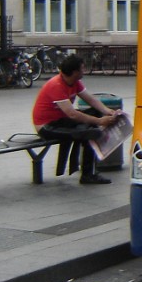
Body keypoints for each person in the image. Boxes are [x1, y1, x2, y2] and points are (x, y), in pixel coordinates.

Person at [32, 54, 120, 185]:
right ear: (75, 72)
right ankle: (87, 174)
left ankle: (89, 171)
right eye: (82, 69)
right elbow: (72, 114)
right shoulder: (56, 85)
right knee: (91, 133)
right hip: (48, 126)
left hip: (61, 120)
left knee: (93, 118)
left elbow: (91, 100)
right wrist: (99, 121)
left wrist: (108, 111)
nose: (84, 71)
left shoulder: (75, 82)